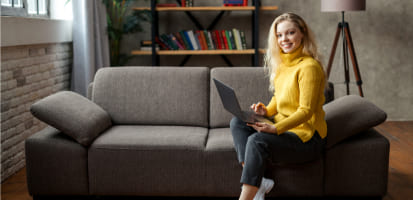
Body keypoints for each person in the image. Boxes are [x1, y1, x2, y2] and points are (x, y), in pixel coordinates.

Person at [230, 13, 327, 200]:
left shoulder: (309, 67)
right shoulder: (283, 64)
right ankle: (260, 182)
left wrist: (275, 128)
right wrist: (265, 111)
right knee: (238, 122)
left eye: (290, 33)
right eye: (280, 35)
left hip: (306, 138)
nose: (284, 39)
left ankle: (247, 195)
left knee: (257, 141)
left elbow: (305, 111)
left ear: (302, 34)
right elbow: (279, 97)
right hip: (286, 128)